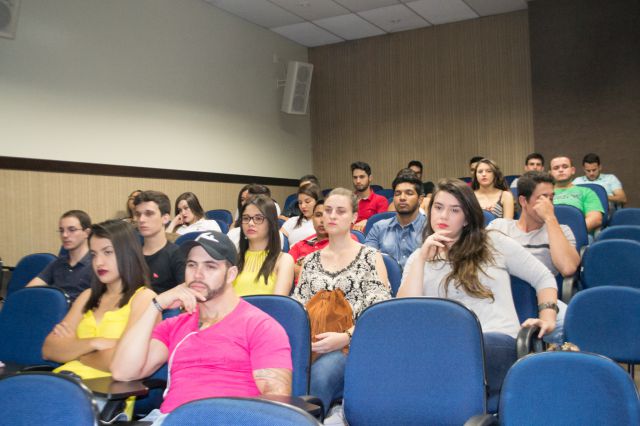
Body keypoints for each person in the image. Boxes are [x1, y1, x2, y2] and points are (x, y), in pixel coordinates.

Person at [398, 179, 558, 411]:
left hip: (495, 343)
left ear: (467, 218)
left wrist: (548, 317)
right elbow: (405, 310)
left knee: (452, 353)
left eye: (455, 210)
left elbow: (543, 277)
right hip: (444, 348)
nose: (443, 216)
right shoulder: (418, 258)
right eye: (438, 207)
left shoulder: (493, 243)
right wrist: (422, 258)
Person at [111, 231, 292, 425]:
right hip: (170, 420)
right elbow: (123, 372)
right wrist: (156, 305)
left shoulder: (261, 327)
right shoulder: (174, 326)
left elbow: (276, 403)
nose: (197, 274)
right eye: (191, 265)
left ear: (231, 274)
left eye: (210, 266)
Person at [42, 220, 156, 420]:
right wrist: (94, 343)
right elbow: (49, 349)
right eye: (94, 254)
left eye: (107, 252)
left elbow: (119, 362)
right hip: (64, 381)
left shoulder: (144, 298)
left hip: (106, 393)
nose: (99, 262)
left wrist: (74, 350)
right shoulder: (87, 296)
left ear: (127, 253)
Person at [293, 188, 391, 420]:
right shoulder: (310, 261)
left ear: (354, 217)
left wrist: (345, 337)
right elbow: (298, 309)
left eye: (340, 211)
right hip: (312, 344)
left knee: (321, 375)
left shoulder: (370, 257)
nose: (332, 216)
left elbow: (378, 316)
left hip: (352, 346)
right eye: (327, 210)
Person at [233, 195, 294, 296]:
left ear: (271, 223)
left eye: (258, 218)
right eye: (246, 218)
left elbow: (278, 303)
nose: (250, 223)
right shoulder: (234, 260)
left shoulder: (284, 260)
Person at [27, 210, 94, 301]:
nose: (64, 235)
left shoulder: (96, 264)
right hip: (53, 307)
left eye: (72, 230)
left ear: (87, 233)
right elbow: (28, 291)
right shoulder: (57, 263)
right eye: (61, 230)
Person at [366, 170, 426, 268]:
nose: (402, 198)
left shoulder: (430, 229)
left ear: (420, 199)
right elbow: (367, 264)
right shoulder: (378, 228)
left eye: (409, 193)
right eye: (397, 193)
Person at [289, 200, 358, 282]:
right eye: (318, 215)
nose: (322, 220)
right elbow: (284, 267)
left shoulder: (347, 240)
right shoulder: (301, 245)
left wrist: (299, 269)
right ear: (312, 219)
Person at [134, 191, 186, 293]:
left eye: (149, 213)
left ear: (165, 218)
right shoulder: (132, 253)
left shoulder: (177, 255)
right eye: (138, 214)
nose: (141, 219)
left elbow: (185, 295)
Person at [549, 156, 603, 232]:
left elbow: (595, 219)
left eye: (565, 167)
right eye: (556, 168)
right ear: (550, 173)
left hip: (578, 234)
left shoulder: (587, 192)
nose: (561, 170)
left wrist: (571, 233)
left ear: (573, 170)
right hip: (547, 234)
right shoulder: (543, 194)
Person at [351, 161, 388, 232]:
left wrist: (368, 222)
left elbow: (382, 226)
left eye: (362, 177)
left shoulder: (380, 200)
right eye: (355, 177)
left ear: (370, 178)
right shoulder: (347, 199)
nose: (358, 181)